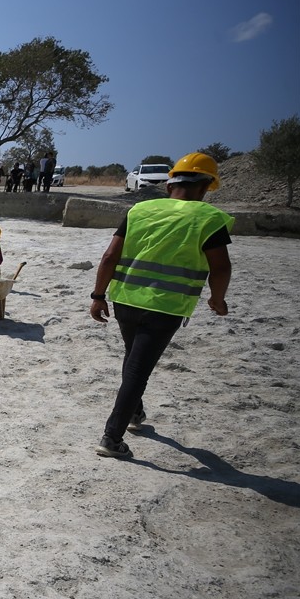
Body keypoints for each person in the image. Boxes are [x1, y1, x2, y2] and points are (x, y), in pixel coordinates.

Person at [89, 152, 233, 458]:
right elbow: (220, 267)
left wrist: (98, 296)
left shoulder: (139, 210)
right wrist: (217, 298)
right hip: (166, 307)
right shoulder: (208, 218)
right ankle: (111, 438)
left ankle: (134, 413)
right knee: (138, 369)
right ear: (205, 188)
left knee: (133, 359)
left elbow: (109, 257)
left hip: (125, 300)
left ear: (170, 186)